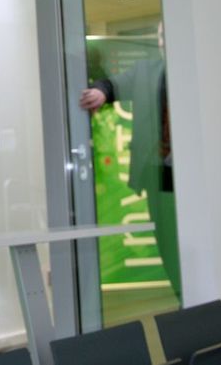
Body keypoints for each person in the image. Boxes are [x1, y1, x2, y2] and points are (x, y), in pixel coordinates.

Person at [79, 22, 181, 299]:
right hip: (158, 176)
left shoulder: (200, 70)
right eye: (160, 36)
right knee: (168, 246)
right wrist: (100, 92)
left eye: (167, 34)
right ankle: (182, 296)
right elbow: (113, 84)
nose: (163, 41)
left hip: (195, 178)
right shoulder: (147, 71)